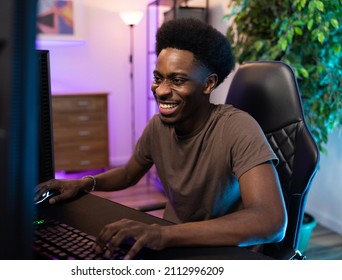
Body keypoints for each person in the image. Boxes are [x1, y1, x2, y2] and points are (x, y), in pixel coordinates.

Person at [36, 18, 287, 260]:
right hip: (173, 241)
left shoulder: (237, 128)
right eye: (158, 78)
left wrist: (163, 233)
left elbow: (271, 221)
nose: (162, 90)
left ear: (208, 84)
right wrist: (84, 183)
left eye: (177, 80)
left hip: (222, 251)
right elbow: (128, 173)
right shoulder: (159, 126)